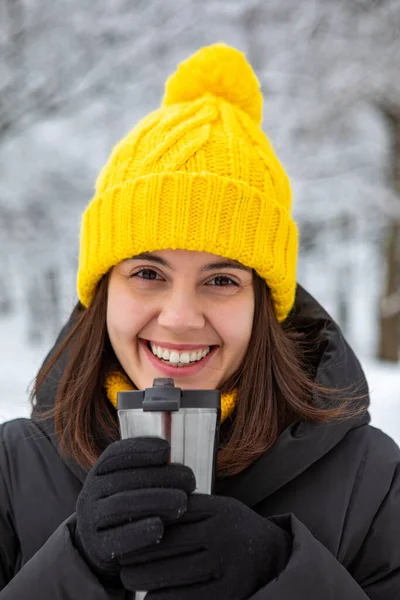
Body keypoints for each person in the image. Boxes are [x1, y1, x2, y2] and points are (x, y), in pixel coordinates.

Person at [0, 43, 399, 600]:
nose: (181, 318)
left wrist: (282, 574)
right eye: (147, 273)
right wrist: (76, 568)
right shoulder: (13, 471)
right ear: (102, 290)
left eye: (221, 280)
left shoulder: (372, 482)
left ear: (263, 304)